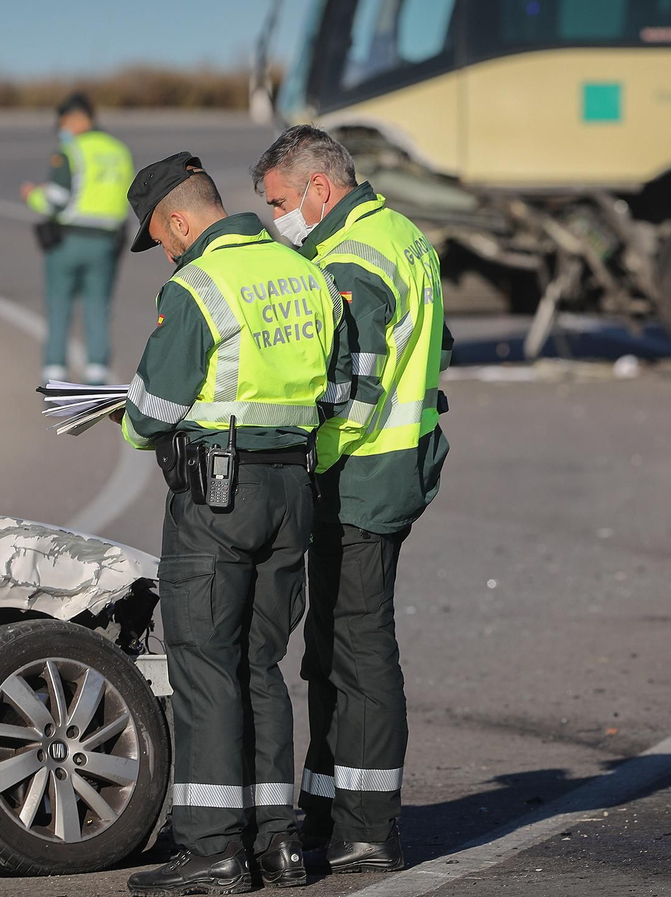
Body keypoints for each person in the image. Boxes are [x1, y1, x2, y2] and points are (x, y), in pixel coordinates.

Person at [117, 152, 351, 896]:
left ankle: (213, 849)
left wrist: (134, 412)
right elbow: (339, 386)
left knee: (204, 666)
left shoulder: (196, 286)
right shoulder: (306, 272)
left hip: (217, 497)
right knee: (259, 666)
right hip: (292, 490)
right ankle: (276, 843)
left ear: (179, 220)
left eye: (161, 236)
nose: (167, 250)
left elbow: (146, 415)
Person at [250, 124, 453, 873]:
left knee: (358, 651)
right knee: (334, 646)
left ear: (319, 189)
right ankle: (329, 805)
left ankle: (367, 827)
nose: (277, 218)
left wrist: (284, 432)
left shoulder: (351, 258)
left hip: (361, 472)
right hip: (392, 462)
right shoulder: (398, 233)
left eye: (280, 202)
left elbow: (352, 388)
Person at [20, 93, 134, 384]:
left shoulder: (70, 151)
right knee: (98, 306)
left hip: (69, 240)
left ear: (73, 119)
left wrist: (32, 195)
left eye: (63, 123)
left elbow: (55, 202)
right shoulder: (119, 150)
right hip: (108, 241)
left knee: (59, 304)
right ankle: (97, 371)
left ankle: (55, 371)